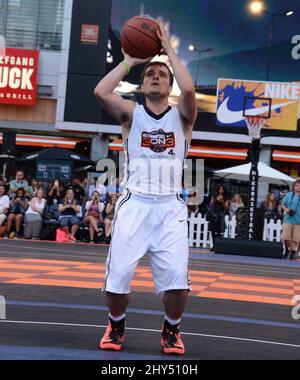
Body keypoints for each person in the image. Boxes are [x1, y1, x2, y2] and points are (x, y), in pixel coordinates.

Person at [94, 24, 197, 355]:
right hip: (134, 202)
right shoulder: (130, 113)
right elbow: (100, 92)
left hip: (170, 207)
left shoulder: (182, 117)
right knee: (119, 276)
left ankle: (171, 329)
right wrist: (131, 61)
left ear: (170, 85)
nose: (155, 76)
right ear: (141, 84)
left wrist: (169, 51)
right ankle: (116, 322)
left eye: (161, 74)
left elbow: (191, 91)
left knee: (178, 283)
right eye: (150, 73)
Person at [281, 180, 300, 260]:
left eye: (299, 185)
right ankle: (287, 250)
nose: (298, 186)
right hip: (288, 219)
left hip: (298, 220)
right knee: (286, 237)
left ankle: (293, 252)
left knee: (295, 238)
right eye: (296, 185)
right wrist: (286, 210)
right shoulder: (289, 194)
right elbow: (282, 204)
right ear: (293, 187)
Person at [207, 185, 229, 251]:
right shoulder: (214, 196)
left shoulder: (226, 197)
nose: (221, 190)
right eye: (220, 189)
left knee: (219, 231)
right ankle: (214, 245)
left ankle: (218, 246)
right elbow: (210, 205)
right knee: (213, 231)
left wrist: (222, 201)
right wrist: (215, 200)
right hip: (213, 215)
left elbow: (226, 208)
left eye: (222, 189)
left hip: (220, 215)